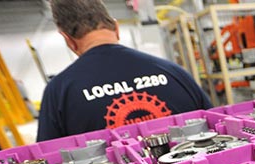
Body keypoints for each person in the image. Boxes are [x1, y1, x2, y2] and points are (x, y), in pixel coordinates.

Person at [37, 0, 212, 141]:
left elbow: (49, 159)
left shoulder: (59, 92)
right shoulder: (174, 72)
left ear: (67, 39)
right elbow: (214, 124)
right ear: (116, 27)